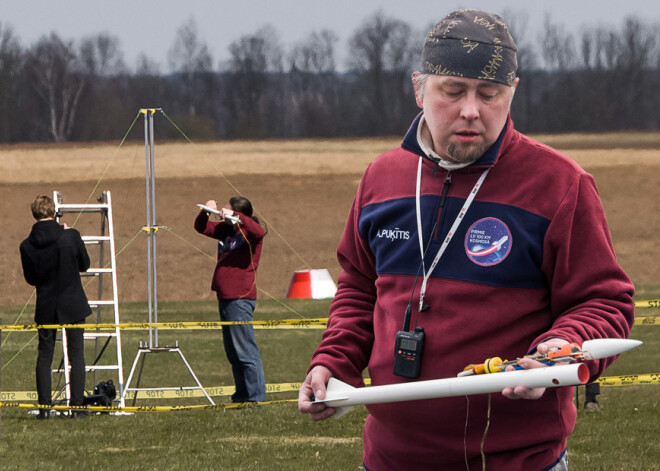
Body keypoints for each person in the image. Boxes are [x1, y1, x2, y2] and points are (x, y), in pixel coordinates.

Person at [298, 9, 634, 470]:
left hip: (516, 461)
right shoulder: (382, 178)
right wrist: (332, 363)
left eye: (490, 94)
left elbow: (604, 301)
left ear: (511, 94)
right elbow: (360, 288)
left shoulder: (559, 184)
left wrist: (558, 351)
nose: (471, 110)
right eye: (453, 91)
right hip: (389, 459)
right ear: (419, 89)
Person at [19, 195, 92, 419]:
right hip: (72, 303)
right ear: (53, 213)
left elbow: (31, 279)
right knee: (77, 356)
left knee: (44, 356)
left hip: (46, 305)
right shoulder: (70, 236)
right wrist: (69, 235)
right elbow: (85, 265)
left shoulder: (26, 245)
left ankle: (44, 409)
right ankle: (77, 408)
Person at [194, 196, 267, 404]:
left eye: (227, 208)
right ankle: (242, 396)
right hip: (225, 297)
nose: (223, 211)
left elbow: (258, 231)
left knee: (245, 351)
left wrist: (235, 216)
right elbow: (200, 227)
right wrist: (206, 211)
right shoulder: (225, 231)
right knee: (233, 352)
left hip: (240, 298)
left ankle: (255, 398)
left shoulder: (249, 233)